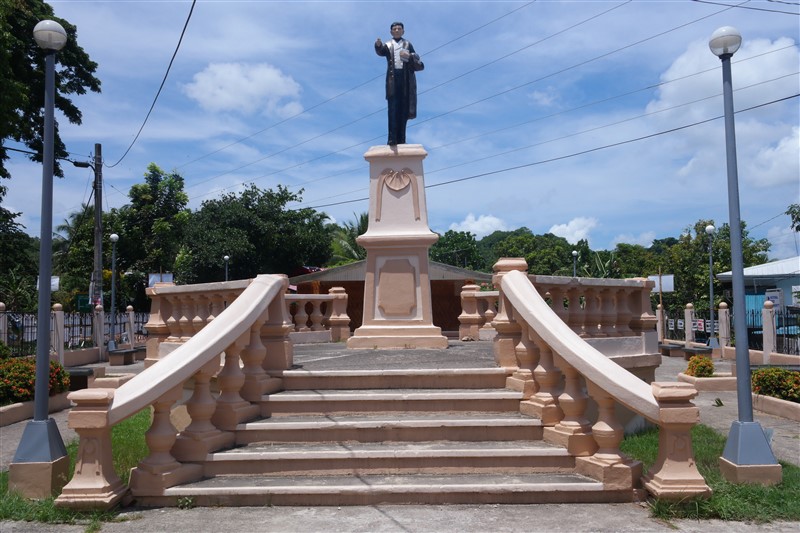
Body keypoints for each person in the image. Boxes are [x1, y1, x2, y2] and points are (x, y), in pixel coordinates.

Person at [375, 22, 424, 146]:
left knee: (403, 110)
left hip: (405, 79)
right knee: (392, 109)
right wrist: (378, 45)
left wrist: (410, 55)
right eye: (394, 29)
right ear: (391, 32)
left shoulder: (407, 44)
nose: (397, 30)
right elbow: (381, 51)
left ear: (403, 31)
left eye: (399, 29)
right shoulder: (388, 44)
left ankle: (401, 138)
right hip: (392, 80)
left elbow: (416, 58)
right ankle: (392, 138)